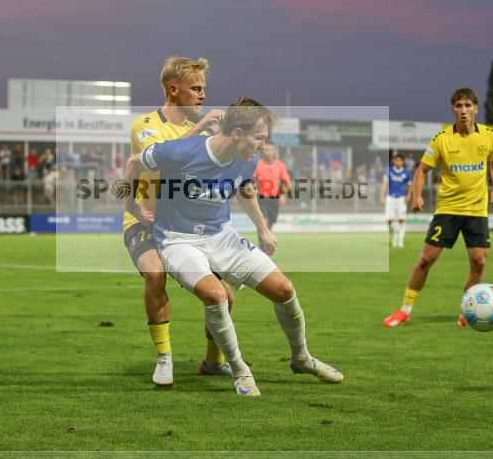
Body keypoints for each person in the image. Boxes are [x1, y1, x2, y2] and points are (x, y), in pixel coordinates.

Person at [125, 97, 343, 396]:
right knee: (215, 296)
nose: (263, 147)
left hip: (222, 236)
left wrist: (263, 228)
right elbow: (134, 163)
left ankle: (302, 358)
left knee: (285, 290)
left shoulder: (247, 158)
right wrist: (133, 208)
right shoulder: (183, 149)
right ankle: (240, 371)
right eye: (259, 138)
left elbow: (244, 187)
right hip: (179, 240)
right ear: (238, 133)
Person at [123, 56, 228, 387]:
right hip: (143, 219)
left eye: (204, 89)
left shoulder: (201, 133)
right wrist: (201, 132)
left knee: (224, 294)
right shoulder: (146, 124)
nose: (202, 96)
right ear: (173, 90)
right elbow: (160, 161)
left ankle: (214, 361)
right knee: (155, 275)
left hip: (186, 225)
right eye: (196, 89)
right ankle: (164, 359)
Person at [383, 88, 493, 328]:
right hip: (447, 209)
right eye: (459, 106)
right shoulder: (441, 139)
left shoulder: (489, 136)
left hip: (477, 210)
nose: (464, 111)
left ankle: (466, 312)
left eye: (468, 105)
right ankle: (405, 310)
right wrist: (417, 195)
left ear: (476, 109)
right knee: (426, 259)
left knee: (479, 262)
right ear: (453, 110)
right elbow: (421, 170)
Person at [252, 142, 290, 231]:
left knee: (271, 223)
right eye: (266, 150)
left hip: (275, 198)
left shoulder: (280, 165)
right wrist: (254, 189)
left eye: (271, 150)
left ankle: (266, 241)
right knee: (263, 221)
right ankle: (262, 244)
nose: (269, 152)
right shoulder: (258, 164)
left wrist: (282, 195)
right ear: (263, 151)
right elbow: (251, 180)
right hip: (261, 198)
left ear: (274, 151)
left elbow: (285, 181)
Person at [379, 153, 411, 248]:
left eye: (400, 160)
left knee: (402, 219)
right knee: (388, 220)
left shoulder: (406, 172)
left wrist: (409, 195)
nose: (398, 162)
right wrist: (382, 196)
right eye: (396, 160)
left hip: (401, 198)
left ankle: (400, 241)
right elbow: (385, 183)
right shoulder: (389, 170)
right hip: (390, 197)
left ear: (403, 162)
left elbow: (410, 185)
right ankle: (395, 234)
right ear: (393, 161)